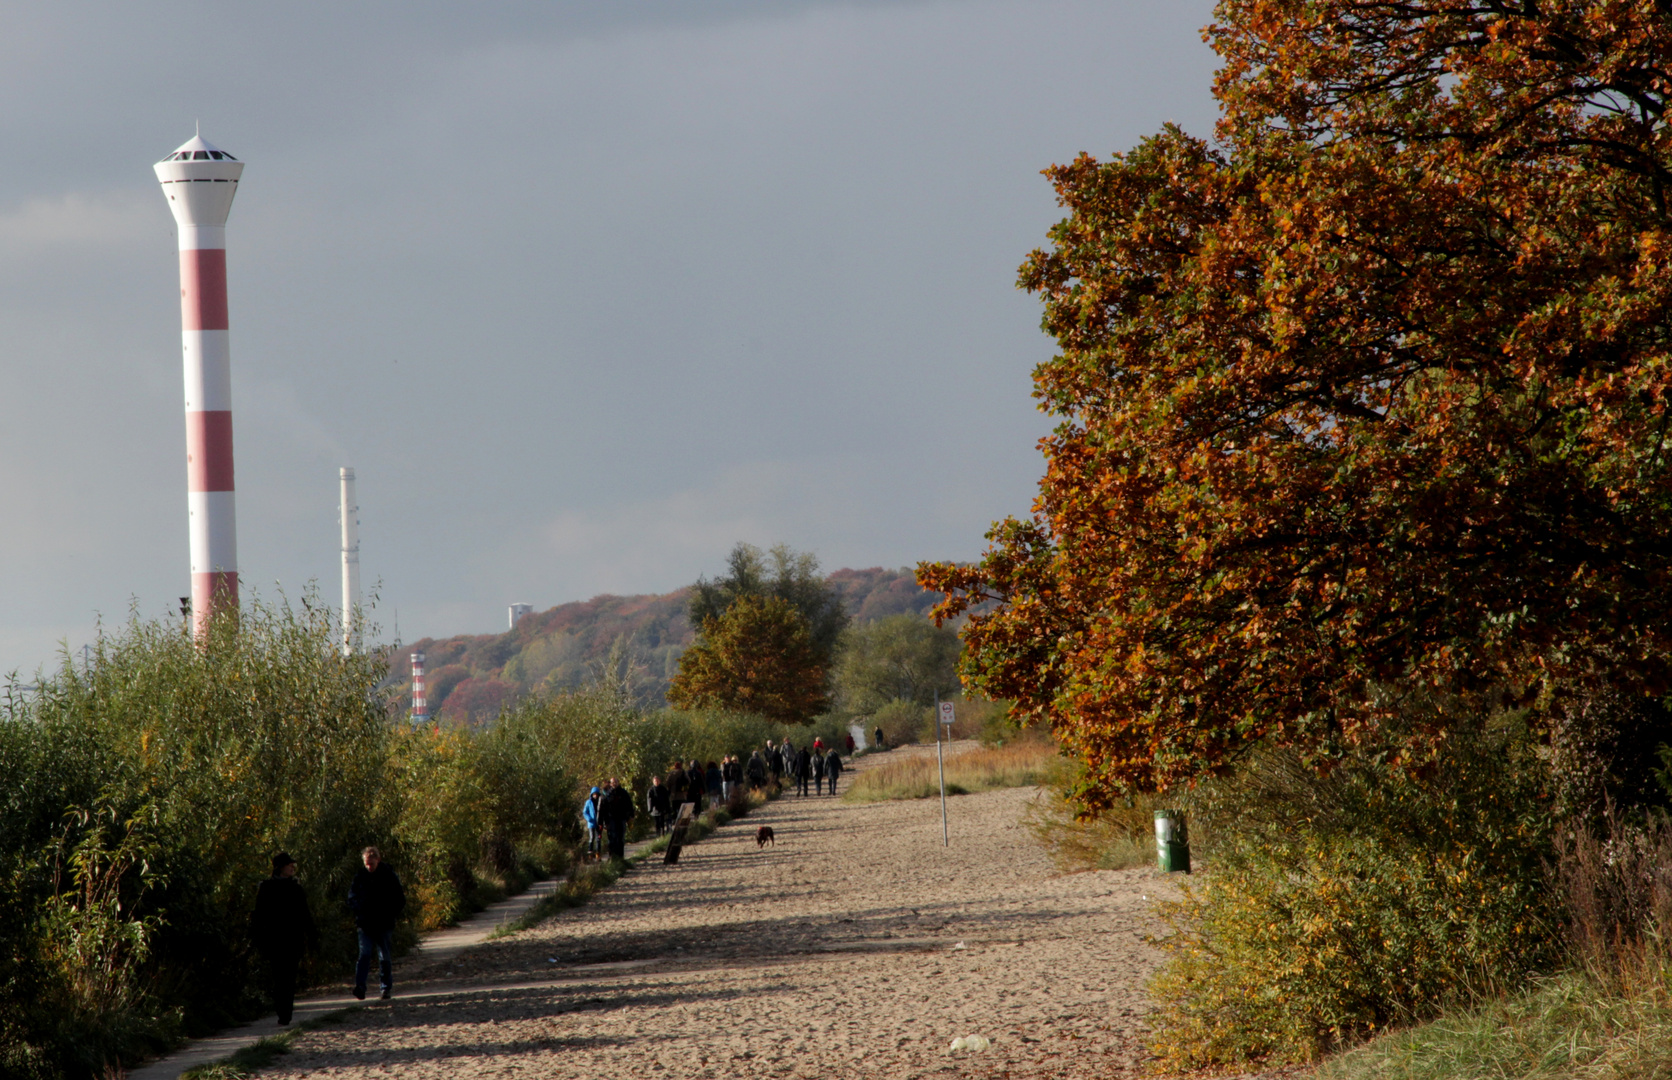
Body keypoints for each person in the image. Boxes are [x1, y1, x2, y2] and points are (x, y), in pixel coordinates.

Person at [251, 851, 314, 1025]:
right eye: (289, 865)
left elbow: (305, 914)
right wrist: (257, 938)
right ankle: (282, 1011)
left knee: (290, 976)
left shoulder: (296, 888)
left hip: (293, 940)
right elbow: (259, 914)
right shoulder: (267, 888)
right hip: (275, 940)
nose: (293, 867)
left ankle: (286, 1012)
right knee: (279, 977)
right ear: (280, 867)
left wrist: (311, 935)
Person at [348, 846, 405, 1001]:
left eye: (371, 863)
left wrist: (390, 914)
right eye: (366, 863)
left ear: (378, 860)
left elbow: (399, 898)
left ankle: (386, 987)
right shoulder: (360, 877)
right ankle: (360, 987)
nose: (369, 867)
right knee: (364, 954)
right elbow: (351, 898)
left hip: (384, 923)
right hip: (365, 924)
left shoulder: (388, 876)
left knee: (384, 956)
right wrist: (359, 910)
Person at [602, 777, 636, 859]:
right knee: (612, 838)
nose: (614, 783)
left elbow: (629, 804)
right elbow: (604, 809)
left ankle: (621, 857)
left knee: (620, 837)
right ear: (610, 783)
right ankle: (612, 856)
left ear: (618, 782)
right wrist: (605, 821)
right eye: (612, 782)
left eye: (615, 782)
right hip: (611, 819)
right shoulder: (608, 794)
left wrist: (631, 816)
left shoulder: (623, 793)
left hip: (621, 818)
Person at [582, 785, 604, 861]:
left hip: (599, 823)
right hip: (591, 823)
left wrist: (602, 821)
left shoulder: (601, 802)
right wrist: (589, 819)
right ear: (591, 794)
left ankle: (598, 855)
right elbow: (585, 812)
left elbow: (603, 812)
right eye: (594, 794)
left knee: (598, 839)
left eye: (596, 794)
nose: (595, 795)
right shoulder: (588, 802)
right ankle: (590, 855)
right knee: (591, 838)